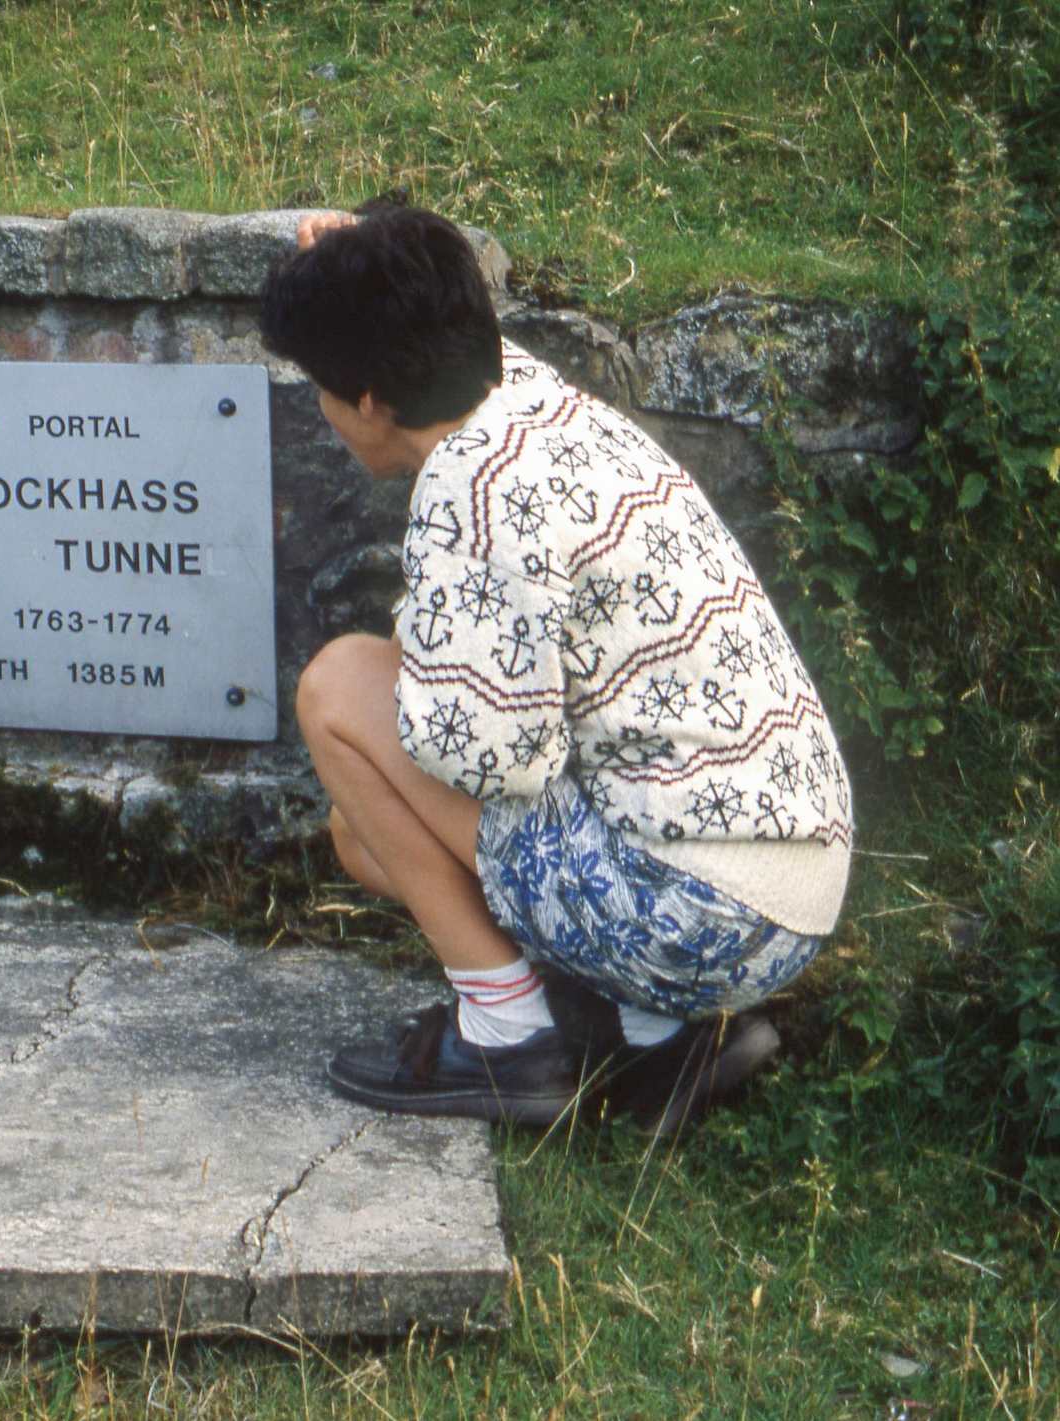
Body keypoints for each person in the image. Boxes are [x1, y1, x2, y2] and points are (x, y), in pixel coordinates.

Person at [260, 202, 853, 1135]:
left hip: (695, 916)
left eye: (321, 388)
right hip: (789, 891)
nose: (325, 413)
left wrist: (429, 638)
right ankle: (654, 1032)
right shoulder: (524, 397)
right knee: (360, 833)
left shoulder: (471, 491)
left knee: (338, 689)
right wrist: (353, 263)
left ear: (369, 399)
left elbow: (496, 766)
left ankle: (507, 1036)